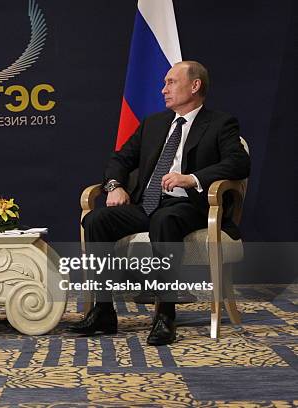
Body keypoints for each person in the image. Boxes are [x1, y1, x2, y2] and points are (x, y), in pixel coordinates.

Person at [69, 61, 250, 345]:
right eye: (164, 83)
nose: (163, 89)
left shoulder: (220, 123)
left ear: (195, 85)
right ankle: (103, 310)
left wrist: (192, 178)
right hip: (148, 204)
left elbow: (239, 163)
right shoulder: (153, 124)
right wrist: (115, 186)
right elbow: (120, 159)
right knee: (96, 220)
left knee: (164, 221)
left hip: (191, 207)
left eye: (170, 82)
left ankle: (165, 315)